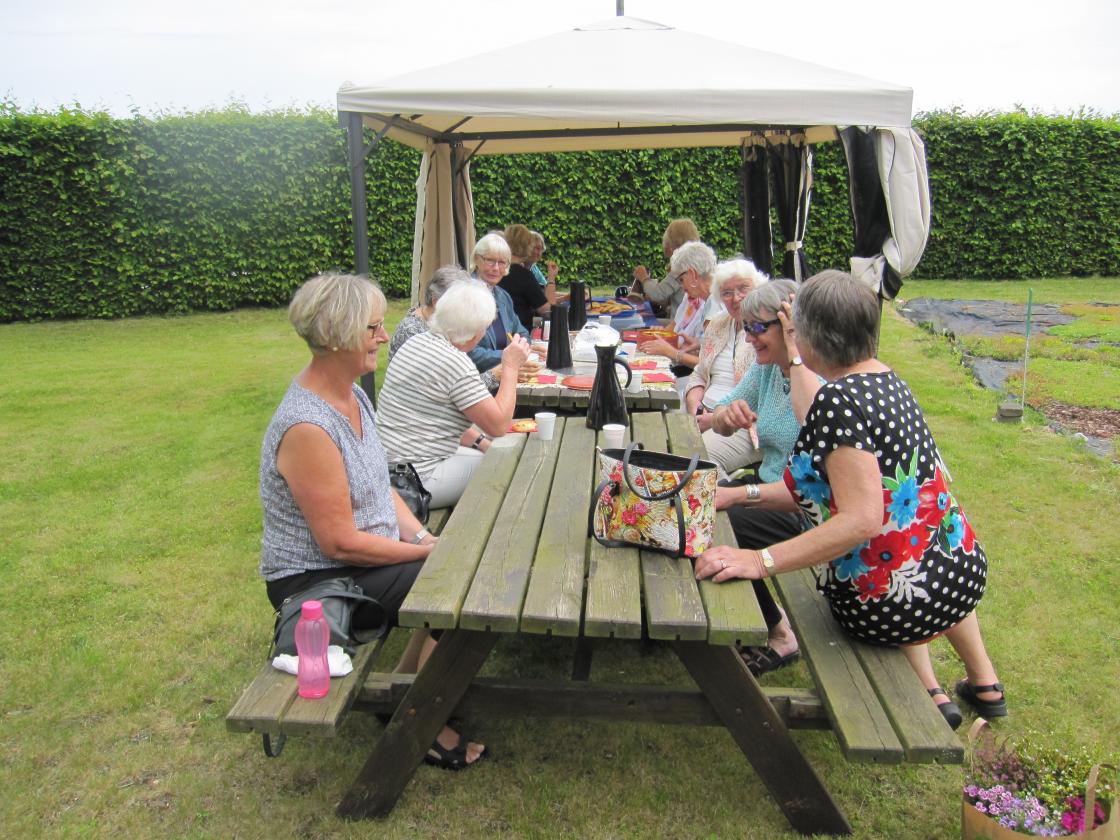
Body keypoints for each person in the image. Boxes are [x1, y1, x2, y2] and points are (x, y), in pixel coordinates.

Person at [697, 270, 1006, 729]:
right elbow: (813, 495)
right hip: (958, 579)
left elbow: (861, 520)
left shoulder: (835, 401)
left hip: (888, 606)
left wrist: (759, 561)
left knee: (737, 543)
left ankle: (927, 691)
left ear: (808, 335)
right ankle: (966, 688)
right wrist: (737, 495)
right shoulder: (888, 379)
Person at [259, 272, 486, 769]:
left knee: (457, 566)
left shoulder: (353, 395)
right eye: (374, 328)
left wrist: (425, 536)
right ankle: (421, 724)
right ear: (340, 335)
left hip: (360, 558)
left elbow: (380, 486)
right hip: (319, 581)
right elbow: (339, 544)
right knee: (460, 580)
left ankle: (406, 697)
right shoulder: (308, 426)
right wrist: (428, 554)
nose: (385, 337)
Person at [707, 277, 821, 676]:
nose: (750, 337)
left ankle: (779, 633)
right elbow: (717, 412)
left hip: (805, 510)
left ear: (791, 325)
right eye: (746, 327)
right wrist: (726, 416)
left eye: (758, 327)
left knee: (711, 525)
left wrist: (794, 354)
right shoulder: (768, 370)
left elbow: (810, 423)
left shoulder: (814, 375)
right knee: (700, 509)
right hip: (773, 491)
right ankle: (754, 620)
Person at [377, 280, 530, 508]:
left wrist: (479, 442)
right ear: (477, 333)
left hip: (386, 466)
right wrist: (510, 367)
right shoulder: (456, 363)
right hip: (415, 480)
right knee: (507, 465)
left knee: (491, 453)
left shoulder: (417, 342)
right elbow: (499, 425)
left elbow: (436, 417)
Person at [684, 259, 767, 478]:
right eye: (727, 293)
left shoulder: (765, 333)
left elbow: (762, 399)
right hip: (704, 414)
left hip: (745, 426)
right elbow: (700, 373)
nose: (736, 298)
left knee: (696, 457)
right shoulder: (718, 325)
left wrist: (713, 419)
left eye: (743, 289)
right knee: (663, 439)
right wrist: (694, 406)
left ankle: (723, 504)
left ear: (757, 289)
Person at [636, 240, 718, 401]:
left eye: (681, 279)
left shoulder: (716, 304)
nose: (681, 286)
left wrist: (672, 353)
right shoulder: (710, 301)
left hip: (705, 392)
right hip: (698, 384)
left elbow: (712, 367)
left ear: (692, 274)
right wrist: (698, 343)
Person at [466, 232, 531, 374]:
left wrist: (522, 347)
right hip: (475, 380)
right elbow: (467, 352)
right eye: (490, 260)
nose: (496, 268)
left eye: (502, 262)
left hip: (504, 374)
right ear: (477, 259)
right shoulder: (464, 296)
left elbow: (521, 332)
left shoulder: (502, 296)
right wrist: (510, 356)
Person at [388, 265, 472, 360]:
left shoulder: (439, 323)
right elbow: (446, 370)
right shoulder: (412, 332)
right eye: (458, 305)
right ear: (436, 302)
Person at [629, 218, 700, 317]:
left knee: (638, 323)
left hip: (679, 324)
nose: (664, 245)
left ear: (673, 243)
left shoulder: (682, 266)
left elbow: (658, 294)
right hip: (683, 322)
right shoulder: (694, 262)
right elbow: (666, 297)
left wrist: (644, 278)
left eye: (667, 241)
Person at [499, 223, 563, 330]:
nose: (537, 252)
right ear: (526, 246)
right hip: (521, 333)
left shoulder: (500, 269)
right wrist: (551, 278)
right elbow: (548, 312)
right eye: (534, 247)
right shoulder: (523, 275)